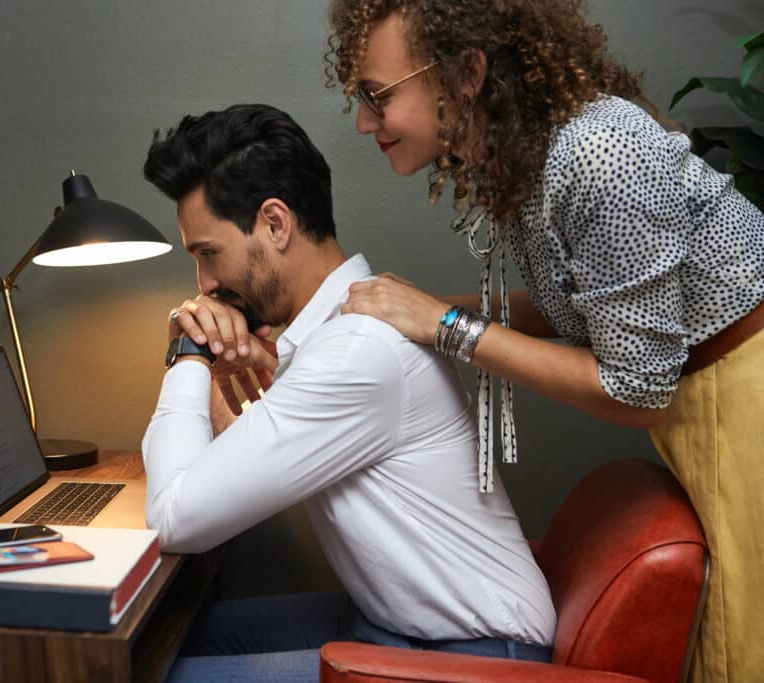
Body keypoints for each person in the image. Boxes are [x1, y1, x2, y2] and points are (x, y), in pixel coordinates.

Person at [319, 2, 764, 682]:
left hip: (747, 394)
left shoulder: (597, 150)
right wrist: (435, 311)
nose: (364, 121)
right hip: (709, 400)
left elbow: (637, 386)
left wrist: (445, 325)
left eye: (379, 97)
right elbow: (597, 306)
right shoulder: (531, 155)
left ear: (468, 73)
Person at [141, 103, 555, 682]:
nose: (205, 285)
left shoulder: (356, 352)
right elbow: (228, 465)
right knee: (162, 640)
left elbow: (174, 519)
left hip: (473, 658)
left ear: (276, 224)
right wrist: (212, 368)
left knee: (145, 670)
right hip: (404, 627)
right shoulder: (337, 334)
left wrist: (187, 350)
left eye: (209, 254)